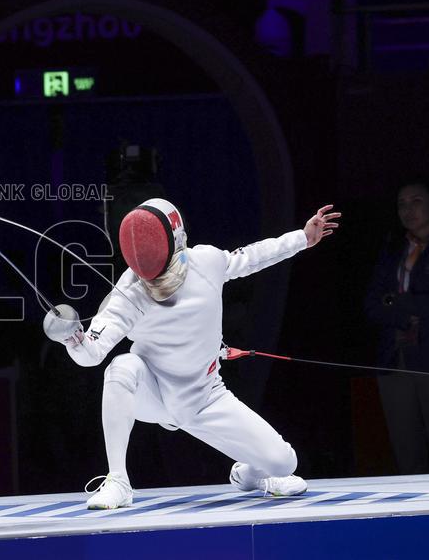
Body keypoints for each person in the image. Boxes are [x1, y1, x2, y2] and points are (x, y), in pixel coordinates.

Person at [43, 199, 339, 509]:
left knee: (284, 463)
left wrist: (303, 238)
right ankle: (118, 480)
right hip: (154, 394)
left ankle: (251, 474)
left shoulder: (206, 262)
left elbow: (253, 256)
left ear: (174, 238)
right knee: (122, 367)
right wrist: (74, 339)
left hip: (205, 397)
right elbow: (92, 354)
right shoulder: (129, 292)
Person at [365, 180, 429, 474]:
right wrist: (405, 314)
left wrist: (398, 302)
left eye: (416, 201)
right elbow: (371, 304)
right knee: (407, 450)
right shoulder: (393, 248)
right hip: (395, 360)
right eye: (402, 204)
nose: (408, 210)